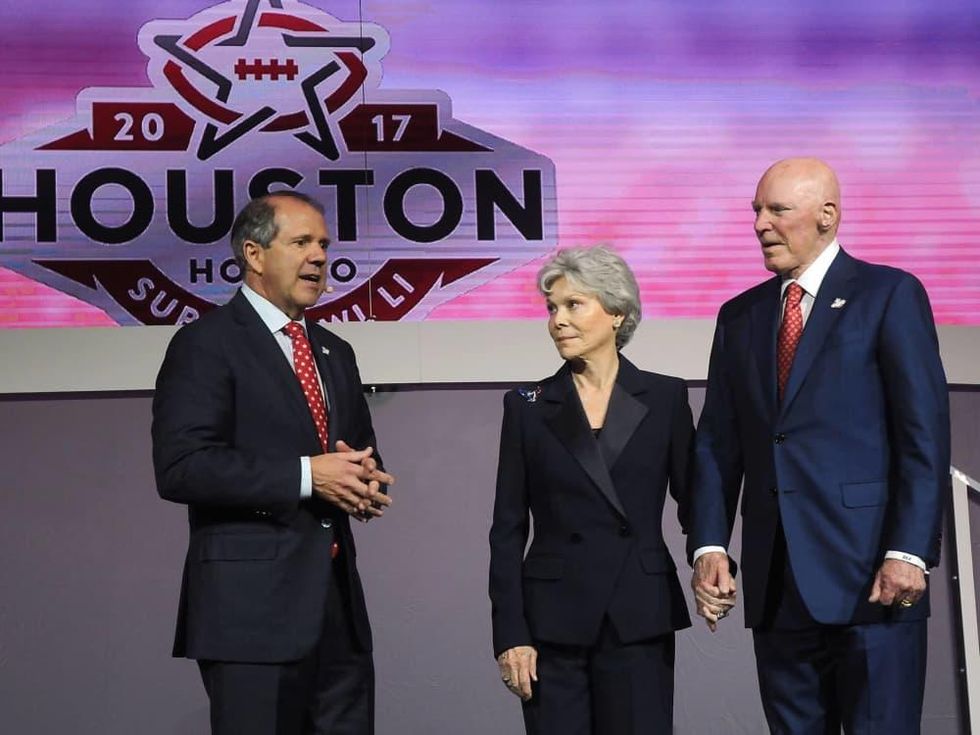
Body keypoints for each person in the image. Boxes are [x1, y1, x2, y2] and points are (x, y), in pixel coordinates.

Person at [689, 158, 950, 733]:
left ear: (827, 216)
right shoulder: (741, 316)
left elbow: (922, 435)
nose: (760, 224)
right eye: (756, 210)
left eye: (777, 210)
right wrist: (709, 543)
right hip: (778, 583)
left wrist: (909, 551)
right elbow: (716, 442)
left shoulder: (889, 294)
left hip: (873, 577)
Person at [152, 190, 394, 735]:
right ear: (254, 254)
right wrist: (309, 476)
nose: (318, 256)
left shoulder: (335, 351)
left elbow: (353, 452)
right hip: (250, 616)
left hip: (337, 613)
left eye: (324, 244)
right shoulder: (205, 345)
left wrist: (365, 481)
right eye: (301, 242)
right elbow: (182, 466)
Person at [489, 245, 698, 734]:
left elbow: (695, 501)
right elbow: (507, 529)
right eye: (551, 309)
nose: (558, 320)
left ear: (616, 311)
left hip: (639, 613)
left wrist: (710, 560)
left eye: (573, 305)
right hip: (552, 624)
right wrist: (510, 633)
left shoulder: (666, 397)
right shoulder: (526, 405)